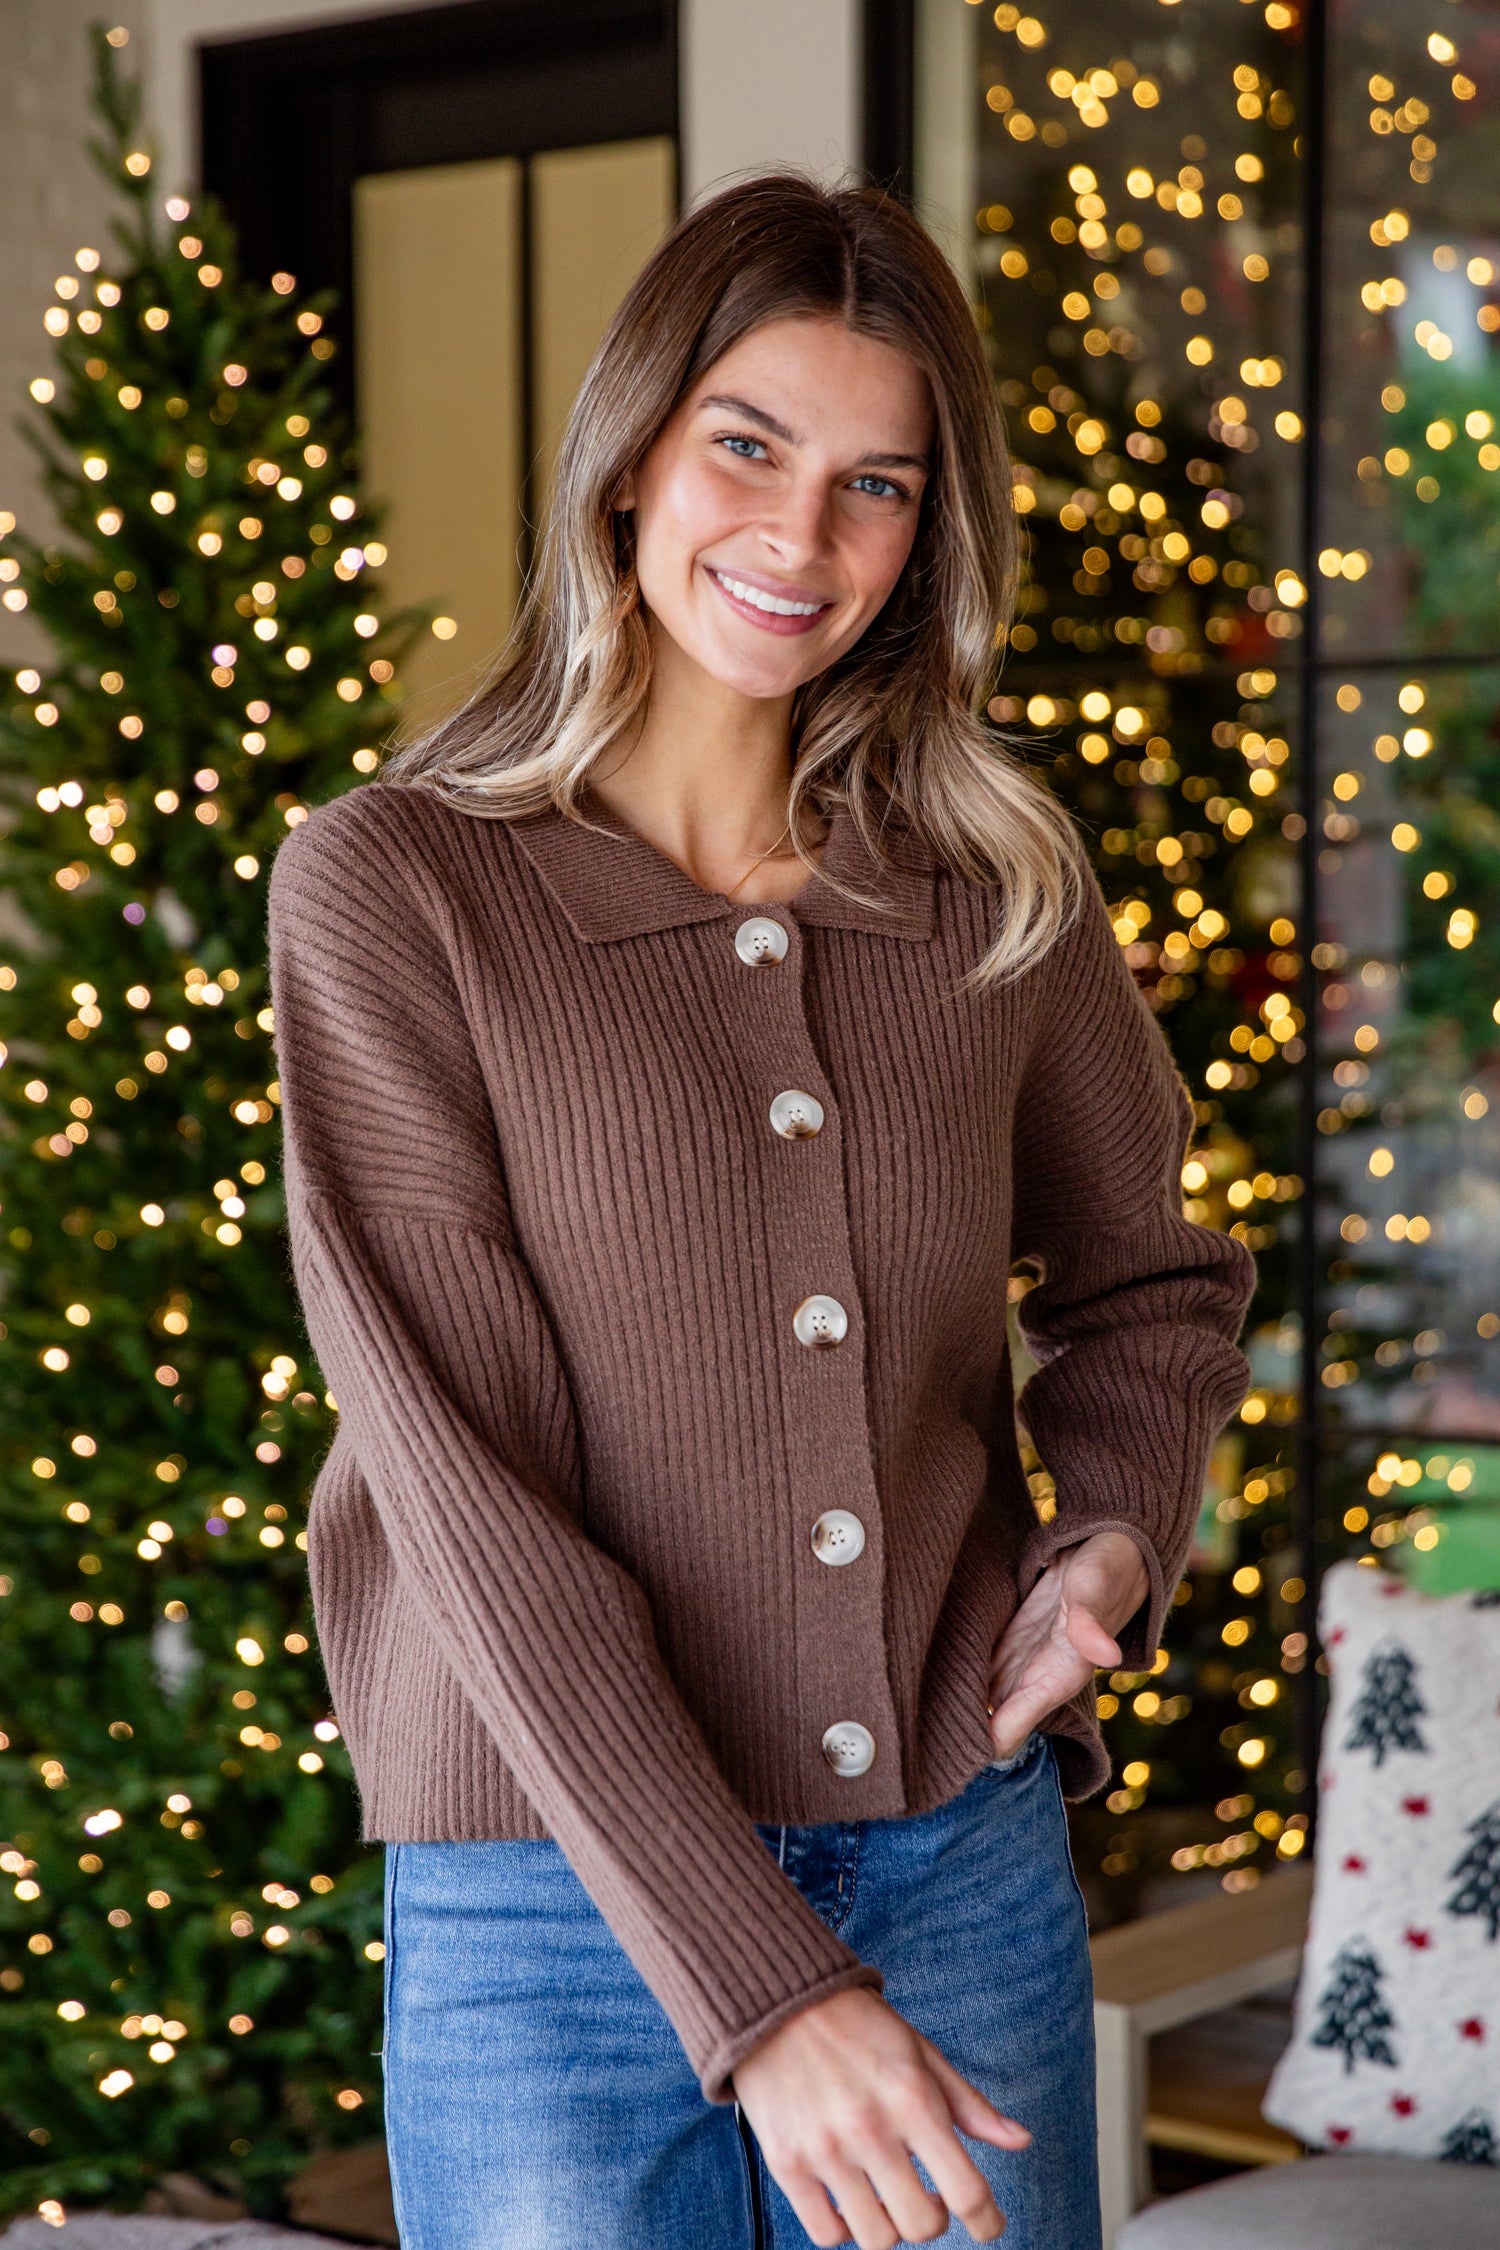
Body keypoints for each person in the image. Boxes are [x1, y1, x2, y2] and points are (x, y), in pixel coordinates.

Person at [267, 172, 1255, 2250]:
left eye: (877, 484)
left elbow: (1154, 1284)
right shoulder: (397, 889)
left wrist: (1110, 1537)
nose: (802, 538)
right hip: (547, 1900)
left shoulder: (989, 888)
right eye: (748, 445)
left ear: (930, 533)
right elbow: (462, 1487)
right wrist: (771, 1986)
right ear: (630, 455)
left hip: (951, 1855)